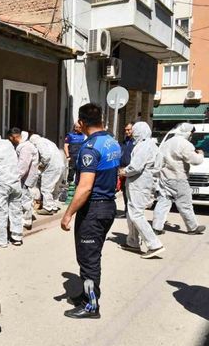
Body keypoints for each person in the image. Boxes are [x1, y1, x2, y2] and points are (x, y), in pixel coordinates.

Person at [61, 103, 121, 319]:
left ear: (82, 122)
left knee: (88, 259)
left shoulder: (91, 148)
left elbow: (85, 186)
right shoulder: (112, 142)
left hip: (94, 209)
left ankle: (90, 305)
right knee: (91, 256)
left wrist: (68, 214)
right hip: (107, 206)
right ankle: (88, 293)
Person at [119, 122, 165, 258]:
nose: (132, 133)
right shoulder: (151, 145)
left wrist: (123, 171)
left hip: (139, 184)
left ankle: (154, 244)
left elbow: (136, 167)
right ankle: (132, 242)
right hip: (141, 183)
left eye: (134, 131)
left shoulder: (144, 146)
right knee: (131, 212)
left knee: (136, 214)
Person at [152, 122, 206, 235]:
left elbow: (159, 161)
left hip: (165, 178)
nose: (191, 136)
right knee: (185, 204)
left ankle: (156, 227)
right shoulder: (185, 144)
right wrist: (200, 154)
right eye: (191, 133)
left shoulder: (167, 143)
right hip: (179, 178)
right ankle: (192, 227)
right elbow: (195, 161)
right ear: (187, 132)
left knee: (163, 202)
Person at [8, 128, 39, 228]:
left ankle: (27, 220)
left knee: (25, 198)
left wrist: (15, 177)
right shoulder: (25, 145)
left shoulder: (25, 147)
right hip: (26, 176)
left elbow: (23, 165)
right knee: (25, 197)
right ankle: (26, 217)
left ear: (14, 137)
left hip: (27, 177)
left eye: (10, 138)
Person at [29, 133, 66, 215]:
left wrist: (40, 166)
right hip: (60, 165)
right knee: (55, 188)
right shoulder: (49, 142)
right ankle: (54, 206)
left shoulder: (38, 143)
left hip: (51, 167)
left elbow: (46, 156)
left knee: (46, 188)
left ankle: (48, 208)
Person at [118, 122, 135, 218]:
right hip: (123, 170)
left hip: (132, 170)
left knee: (131, 192)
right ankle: (126, 211)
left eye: (129, 130)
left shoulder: (136, 142)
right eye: (126, 130)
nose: (127, 132)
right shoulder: (124, 142)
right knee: (125, 191)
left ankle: (131, 212)